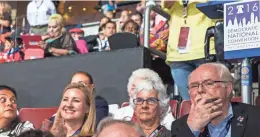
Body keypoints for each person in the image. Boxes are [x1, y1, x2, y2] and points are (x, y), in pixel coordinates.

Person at [171, 63, 260, 137]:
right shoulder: (179, 126)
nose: (200, 90)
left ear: (228, 88)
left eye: (209, 83)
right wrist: (193, 129)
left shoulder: (256, 117)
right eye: (194, 86)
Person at [161, 0, 216, 100]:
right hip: (178, 55)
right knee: (189, 102)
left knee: (210, 100)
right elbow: (166, 3)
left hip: (205, 52)